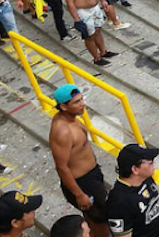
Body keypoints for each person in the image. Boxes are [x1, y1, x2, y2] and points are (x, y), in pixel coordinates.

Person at [49, 84, 109, 237]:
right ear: (63, 106)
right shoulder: (62, 131)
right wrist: (79, 194)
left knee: (94, 218)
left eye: (81, 99)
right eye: (76, 102)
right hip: (83, 183)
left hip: (92, 176)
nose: (82, 103)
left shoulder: (72, 118)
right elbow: (61, 167)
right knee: (100, 221)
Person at [106, 144, 159, 237]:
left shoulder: (146, 178)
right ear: (135, 169)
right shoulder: (119, 202)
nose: (153, 164)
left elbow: (155, 202)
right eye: (150, 162)